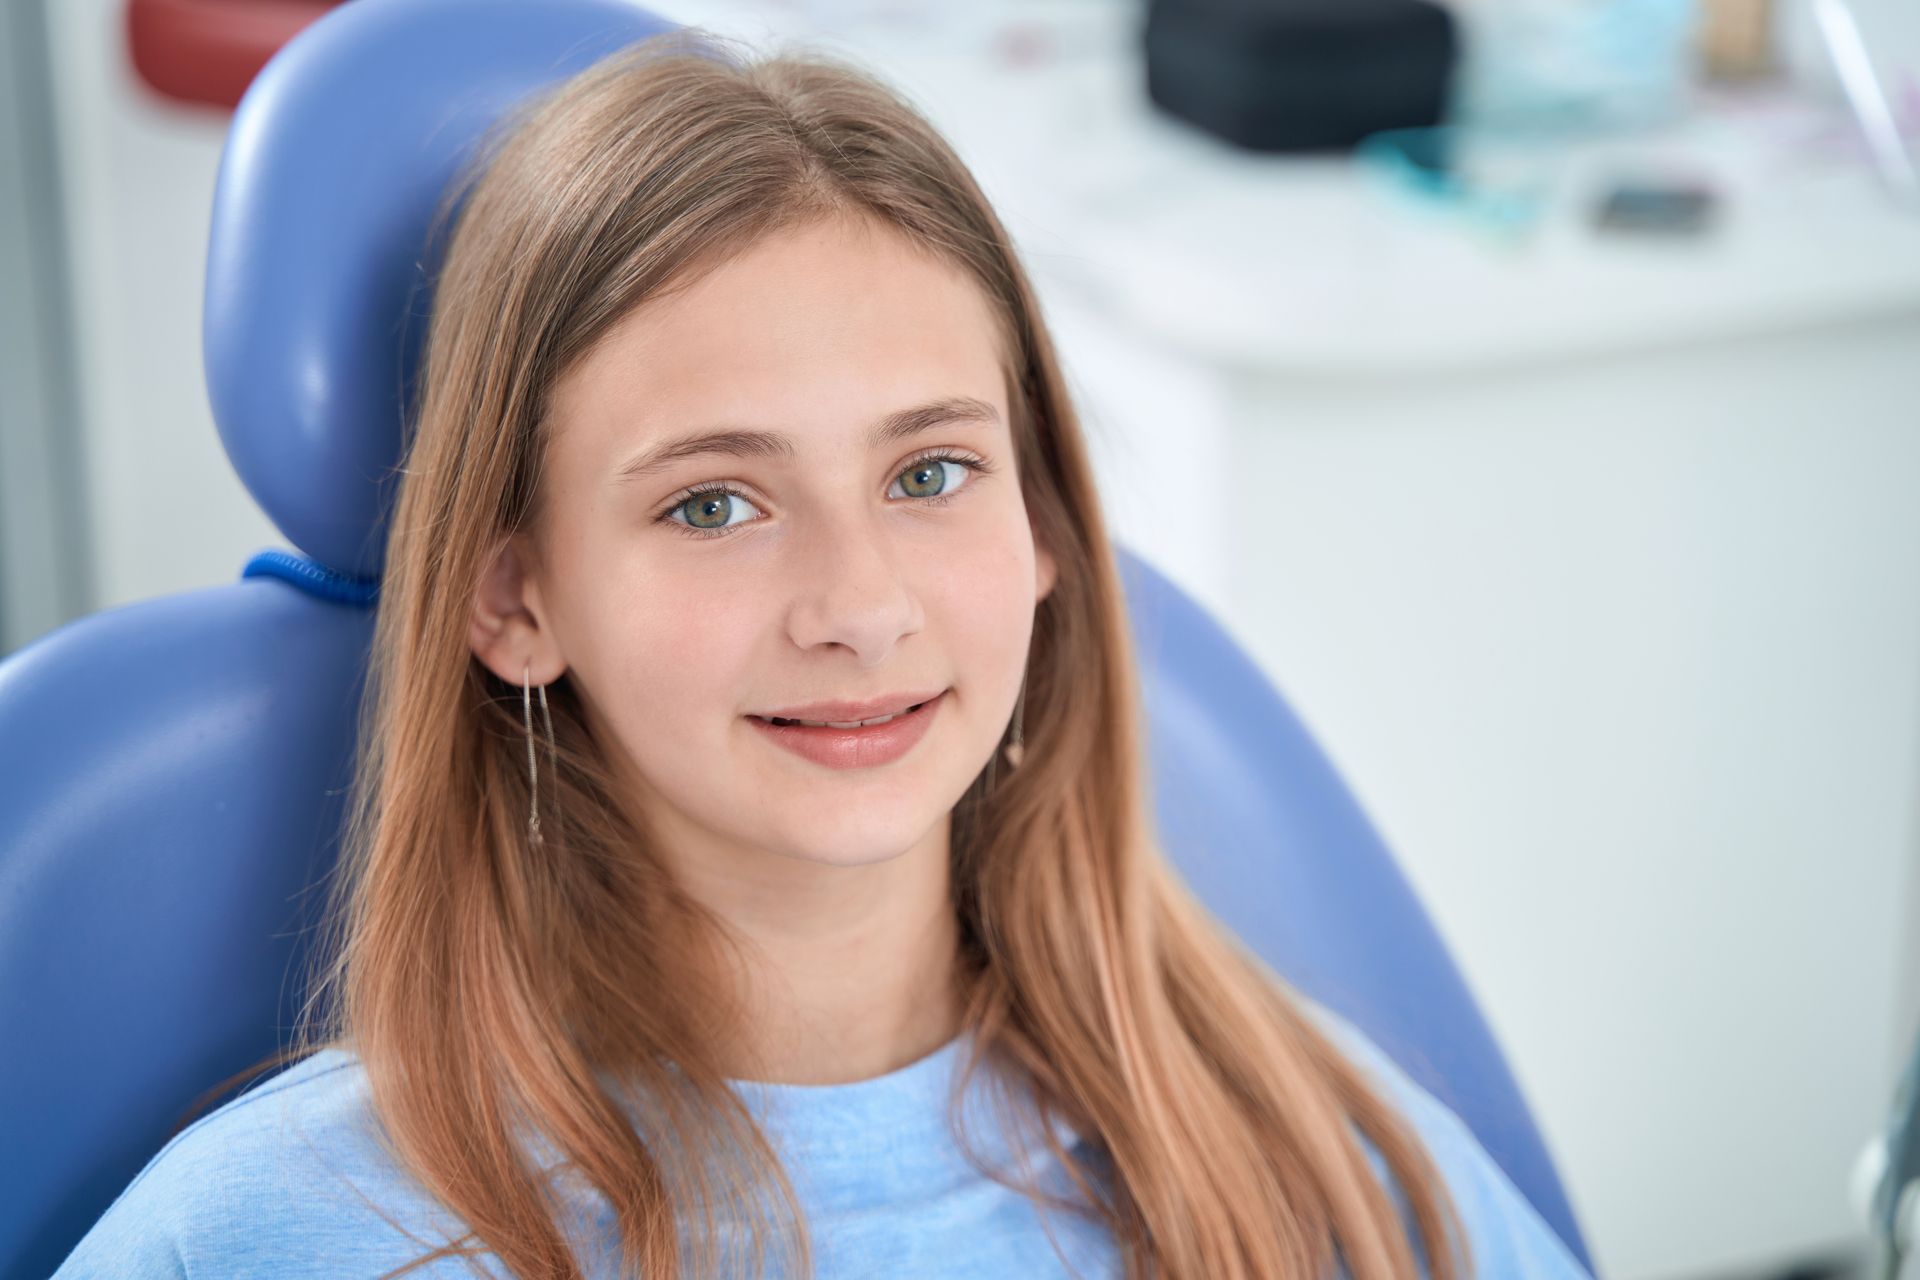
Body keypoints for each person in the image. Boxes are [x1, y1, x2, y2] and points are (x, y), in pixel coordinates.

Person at [54, 26, 1592, 1280]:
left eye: (929, 474)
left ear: (1046, 529)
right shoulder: (273, 1237)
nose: (860, 605)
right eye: (714, 503)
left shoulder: (1308, 1157)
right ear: (513, 598)